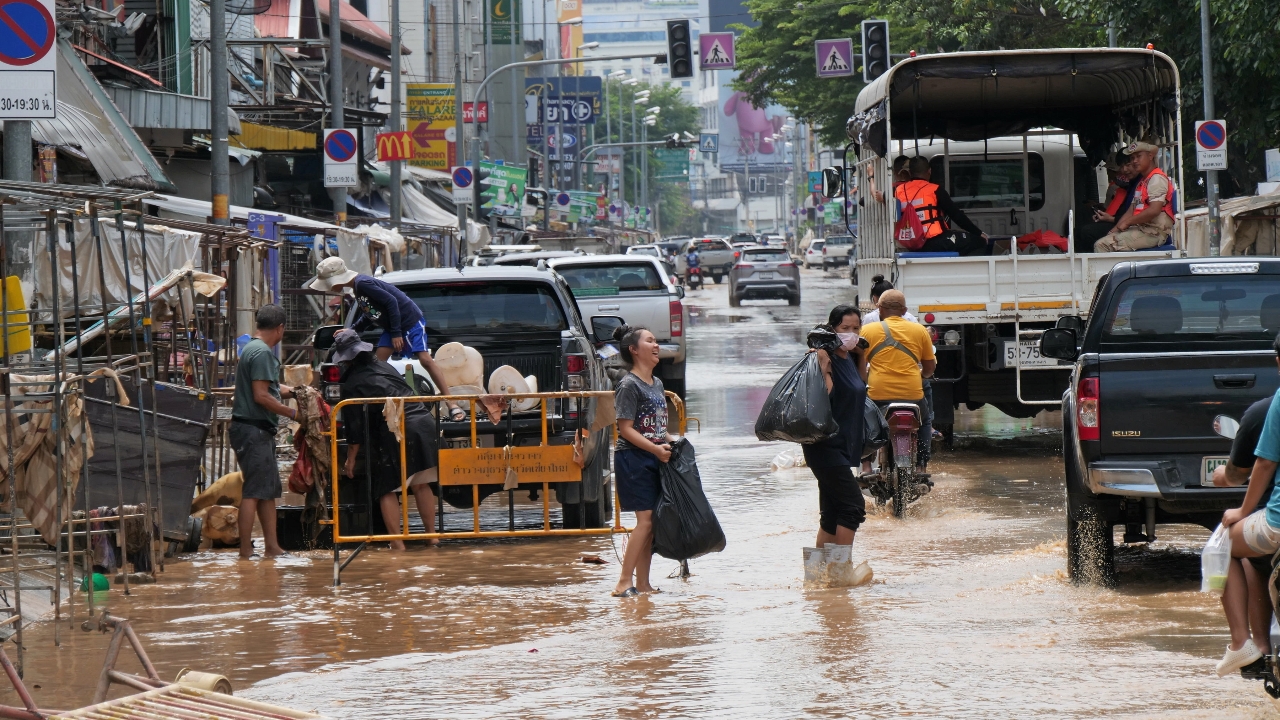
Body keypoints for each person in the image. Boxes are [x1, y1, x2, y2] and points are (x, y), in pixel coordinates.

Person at [306, 257, 464, 421]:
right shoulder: (357, 289)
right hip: (392, 327)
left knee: (425, 360)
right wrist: (352, 330)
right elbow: (370, 315)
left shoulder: (363, 283)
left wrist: (396, 333)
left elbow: (391, 302)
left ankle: (451, 404)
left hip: (408, 321)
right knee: (377, 365)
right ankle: (387, 407)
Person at [333, 329, 440, 551]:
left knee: (386, 489)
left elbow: (355, 429)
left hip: (397, 429)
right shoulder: (384, 365)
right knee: (421, 484)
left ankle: (397, 543)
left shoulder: (352, 384)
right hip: (422, 422)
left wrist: (351, 459)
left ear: (346, 360)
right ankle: (432, 538)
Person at [1214, 341, 1280, 675]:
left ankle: (1244, 645)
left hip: (1276, 524)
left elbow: (1264, 464)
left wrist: (1241, 511)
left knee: (1224, 545)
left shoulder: (1271, 407)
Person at [611, 324, 675, 597]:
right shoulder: (628, 384)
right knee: (645, 521)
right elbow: (625, 428)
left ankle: (644, 584)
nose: (656, 345)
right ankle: (623, 582)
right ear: (634, 350)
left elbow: (657, 426)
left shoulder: (657, 383)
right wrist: (655, 449)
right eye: (650, 341)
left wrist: (671, 441)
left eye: (656, 340)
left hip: (653, 456)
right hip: (633, 458)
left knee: (651, 524)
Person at [230, 305, 295, 559]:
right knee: (254, 491)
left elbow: (270, 386)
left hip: (255, 430)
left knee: (267, 490)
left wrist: (297, 392)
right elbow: (261, 395)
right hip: (252, 430)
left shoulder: (252, 348)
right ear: (280, 328)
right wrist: (292, 413)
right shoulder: (262, 353)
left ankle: (272, 546)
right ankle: (245, 551)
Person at [802, 306, 869, 549]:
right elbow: (823, 395)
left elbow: (860, 386)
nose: (851, 333)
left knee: (831, 515)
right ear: (833, 329)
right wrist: (821, 359)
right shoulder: (823, 356)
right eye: (845, 328)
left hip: (843, 445)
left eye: (856, 328)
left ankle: (820, 576)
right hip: (824, 445)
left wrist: (862, 355)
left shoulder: (849, 358)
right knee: (853, 507)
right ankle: (842, 571)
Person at [860, 290, 936, 473]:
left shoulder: (868, 330)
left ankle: (866, 465)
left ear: (879, 309)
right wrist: (922, 375)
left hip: (878, 394)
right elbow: (929, 367)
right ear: (905, 310)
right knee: (925, 422)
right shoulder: (919, 330)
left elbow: (860, 366)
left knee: (863, 420)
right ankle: (921, 467)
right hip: (912, 394)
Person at [894, 156, 990, 256]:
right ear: (929, 171)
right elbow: (956, 215)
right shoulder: (935, 189)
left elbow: (886, 199)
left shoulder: (898, 191)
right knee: (979, 242)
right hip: (934, 241)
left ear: (910, 173)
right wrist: (979, 233)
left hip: (910, 243)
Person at [1094, 141, 1175, 253]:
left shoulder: (1156, 178)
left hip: (1153, 232)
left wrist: (1128, 222)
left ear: (1150, 156)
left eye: (1138, 156)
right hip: (1141, 229)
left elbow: (1154, 210)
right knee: (1106, 239)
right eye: (1132, 158)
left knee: (1102, 245)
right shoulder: (1143, 182)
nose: (1135, 161)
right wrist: (1114, 230)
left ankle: (1110, 271)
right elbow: (1131, 211)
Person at [1073, 150, 1139, 253]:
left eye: (1127, 165)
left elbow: (1134, 214)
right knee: (1078, 231)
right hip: (1119, 222)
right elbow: (1126, 211)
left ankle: (1090, 263)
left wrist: (1112, 222)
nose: (1124, 170)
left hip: (1131, 227)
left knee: (1086, 233)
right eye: (1121, 167)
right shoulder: (1129, 185)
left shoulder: (1139, 185)